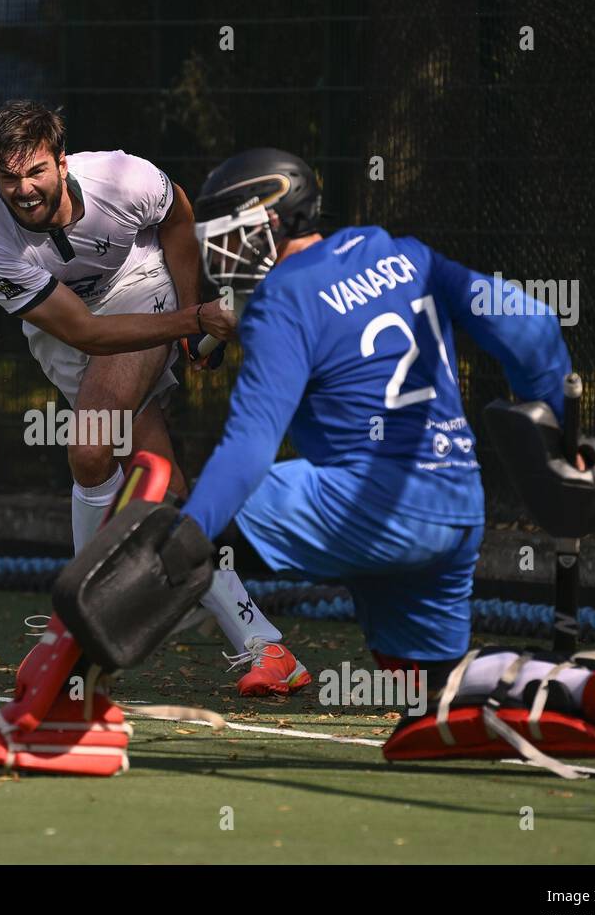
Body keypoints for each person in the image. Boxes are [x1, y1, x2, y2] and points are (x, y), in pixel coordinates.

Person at [181, 147, 575, 682]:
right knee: (433, 690)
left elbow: (249, 450)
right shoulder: (410, 255)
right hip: (456, 508)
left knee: (180, 542)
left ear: (275, 219)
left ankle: (74, 681)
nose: (220, 254)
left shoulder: (283, 297)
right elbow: (532, 326)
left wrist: (187, 531)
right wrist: (557, 443)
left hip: (364, 508)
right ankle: (593, 686)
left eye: (229, 234)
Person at [0, 101, 309, 696]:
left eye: (36, 170)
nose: (23, 189)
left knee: (92, 448)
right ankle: (268, 649)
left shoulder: (124, 178)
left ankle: (74, 641)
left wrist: (185, 308)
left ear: (61, 161)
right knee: (163, 490)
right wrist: (195, 319)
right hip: (65, 326)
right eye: (7, 176)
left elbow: (177, 217)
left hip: (140, 285)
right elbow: (84, 333)